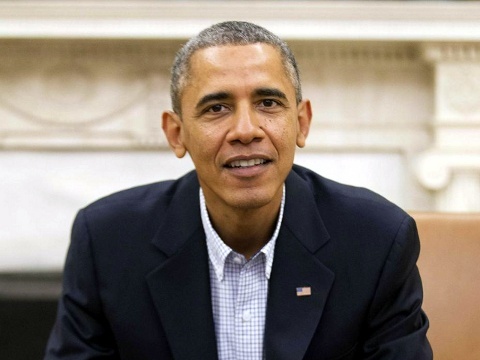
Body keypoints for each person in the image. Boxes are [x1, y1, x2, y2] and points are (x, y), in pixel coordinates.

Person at [44, 21, 432, 359]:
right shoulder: (107, 241)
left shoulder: (377, 239)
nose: (246, 130)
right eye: (217, 108)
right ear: (176, 134)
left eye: (267, 102)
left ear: (301, 123)